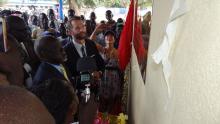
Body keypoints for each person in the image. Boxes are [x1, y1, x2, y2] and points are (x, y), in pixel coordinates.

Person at [64, 16, 105, 99]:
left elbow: (101, 63)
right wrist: (86, 78)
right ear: (69, 32)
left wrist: (99, 73)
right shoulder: (65, 51)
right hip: (77, 96)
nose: (82, 30)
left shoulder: (91, 44)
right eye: (77, 28)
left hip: (94, 92)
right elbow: (67, 77)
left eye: (83, 26)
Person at [97, 30, 123, 115]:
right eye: (107, 36)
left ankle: (111, 118)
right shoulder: (101, 49)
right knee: (102, 98)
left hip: (114, 78)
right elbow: (89, 41)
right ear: (104, 39)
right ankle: (102, 119)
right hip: (103, 76)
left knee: (113, 99)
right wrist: (96, 30)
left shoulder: (118, 51)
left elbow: (121, 67)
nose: (109, 37)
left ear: (114, 39)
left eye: (111, 36)